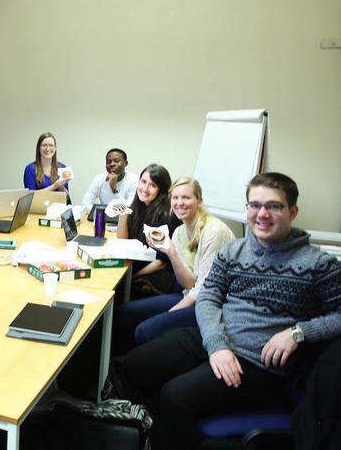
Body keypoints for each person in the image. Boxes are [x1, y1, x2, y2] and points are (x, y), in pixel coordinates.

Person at [120, 172, 340, 450]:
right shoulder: (234, 251)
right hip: (216, 338)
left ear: (292, 211)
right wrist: (216, 346)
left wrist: (298, 333)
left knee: (174, 397)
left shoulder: (317, 264)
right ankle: (164, 433)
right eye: (254, 205)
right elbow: (209, 297)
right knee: (134, 365)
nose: (262, 214)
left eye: (274, 206)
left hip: (258, 362)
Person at [113, 177, 234, 354]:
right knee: (124, 313)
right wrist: (171, 252)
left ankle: (134, 365)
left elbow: (203, 290)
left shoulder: (213, 231)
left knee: (145, 331)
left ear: (199, 201)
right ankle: (116, 367)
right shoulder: (179, 232)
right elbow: (189, 284)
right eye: (175, 198)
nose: (179, 203)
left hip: (212, 305)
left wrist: (169, 313)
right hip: (189, 294)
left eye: (186, 198)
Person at [117, 164, 179, 299]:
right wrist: (123, 215)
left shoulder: (165, 214)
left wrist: (132, 277)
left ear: (161, 190)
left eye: (152, 185)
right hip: (139, 267)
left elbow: (161, 262)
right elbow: (123, 243)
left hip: (157, 275)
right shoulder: (140, 206)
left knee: (118, 290)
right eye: (143, 182)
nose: (144, 189)